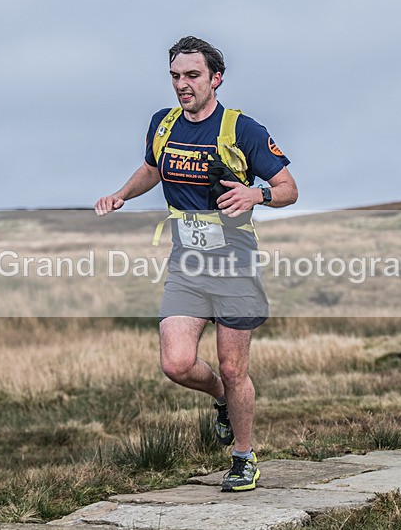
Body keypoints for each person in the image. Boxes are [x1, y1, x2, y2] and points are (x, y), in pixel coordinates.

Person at [95, 36, 298, 492]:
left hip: (234, 263)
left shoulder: (241, 129)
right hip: (187, 261)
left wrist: (256, 192)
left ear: (215, 78)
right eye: (175, 76)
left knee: (233, 367)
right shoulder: (162, 124)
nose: (182, 85)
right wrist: (121, 195)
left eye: (192, 76)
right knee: (177, 362)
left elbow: (288, 187)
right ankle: (224, 401)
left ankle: (243, 458)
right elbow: (152, 168)